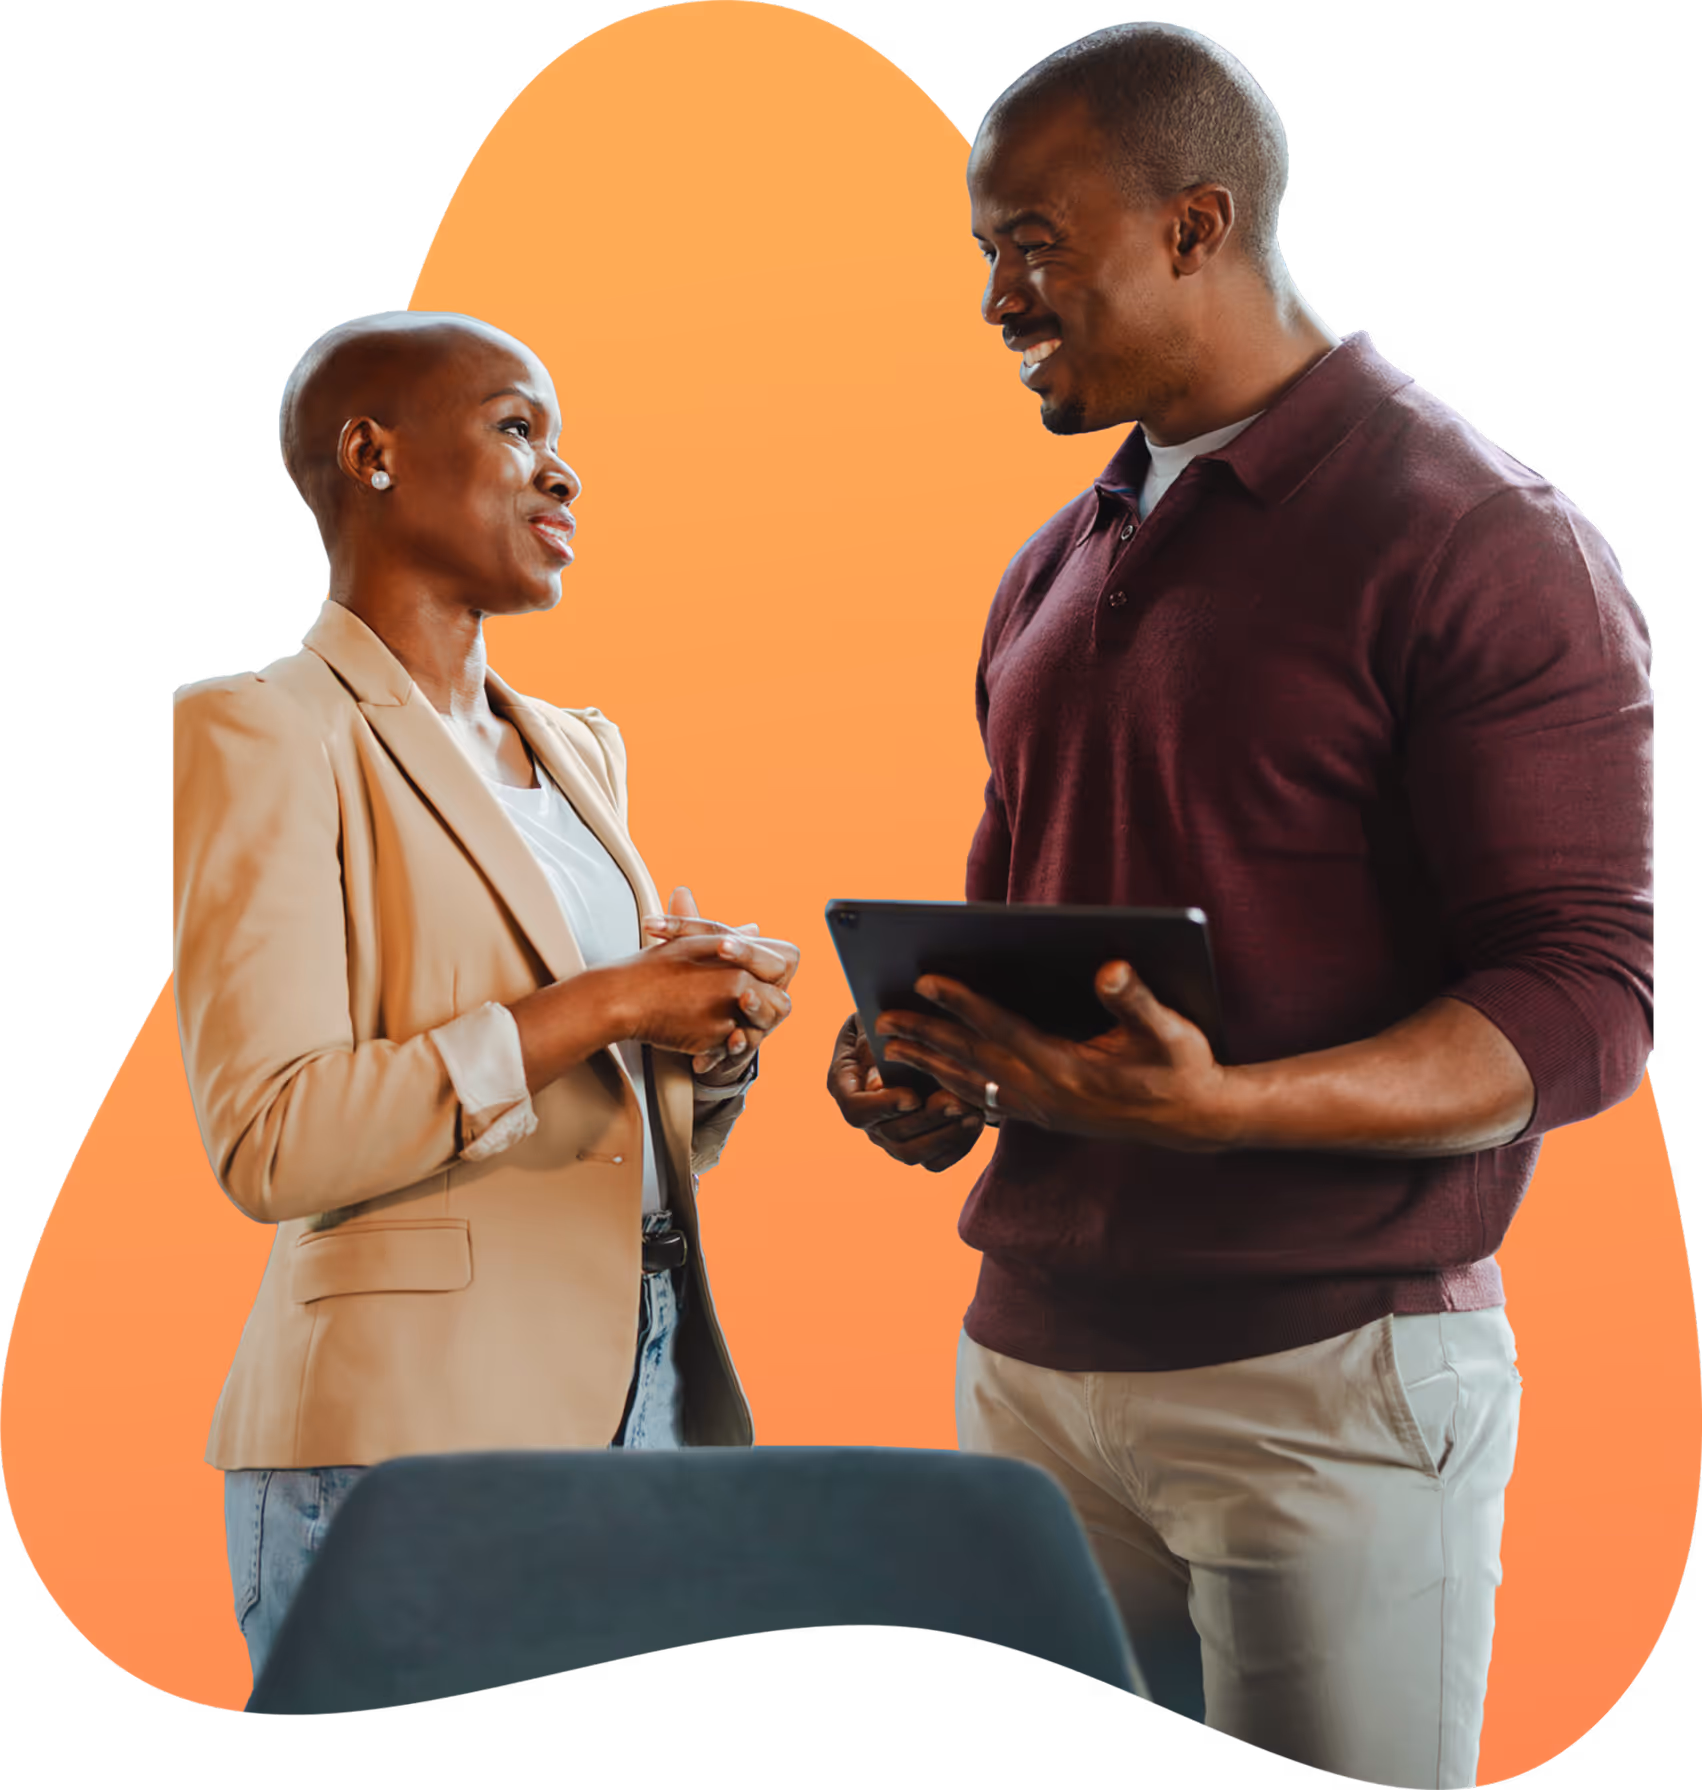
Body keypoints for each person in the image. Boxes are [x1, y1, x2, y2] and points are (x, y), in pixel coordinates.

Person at [825, 21, 1652, 1788]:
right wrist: (928, 1066)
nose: (997, 301)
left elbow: (1584, 1001)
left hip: (1322, 1386)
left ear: (1196, 225)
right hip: (1026, 1371)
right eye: (986, 254)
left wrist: (1224, 1113)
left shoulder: (1477, 536)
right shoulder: (1052, 560)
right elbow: (1024, 945)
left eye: (1032, 247)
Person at [173, 309, 800, 1685]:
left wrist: (708, 1032)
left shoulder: (579, 749)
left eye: (562, 440)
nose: (562, 472)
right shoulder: (269, 731)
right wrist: (606, 1004)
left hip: (648, 1404)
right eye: (517, 429)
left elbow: (615, 1128)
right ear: (371, 452)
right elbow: (272, 1137)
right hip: (407, 1441)